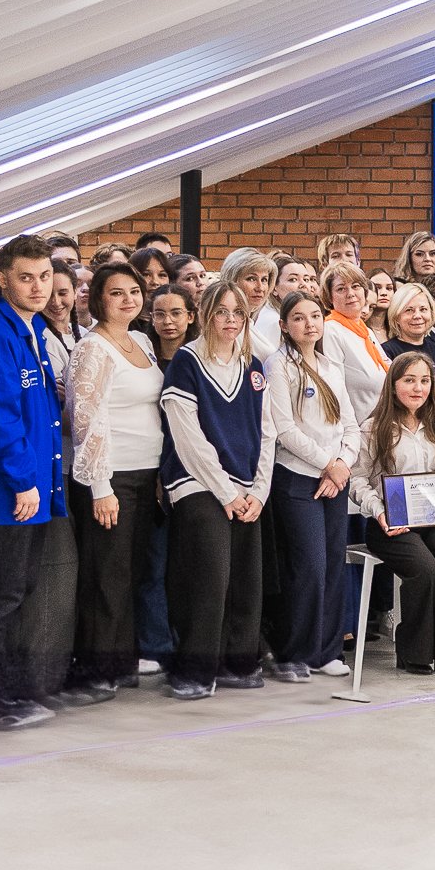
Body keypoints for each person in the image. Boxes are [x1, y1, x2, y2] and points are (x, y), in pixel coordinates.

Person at [0, 234, 73, 729]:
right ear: (3, 279)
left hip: (32, 487)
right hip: (8, 491)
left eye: (44, 276)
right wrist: (23, 481)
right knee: (0, 594)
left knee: (18, 588)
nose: (38, 287)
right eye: (25, 278)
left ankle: (5, 693)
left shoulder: (31, 327)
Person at [158, 283, 274, 698]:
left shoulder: (253, 365)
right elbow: (188, 439)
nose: (230, 320)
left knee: (246, 578)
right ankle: (194, 670)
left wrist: (258, 492)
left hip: (244, 487)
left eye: (238, 313)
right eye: (221, 311)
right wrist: (227, 493)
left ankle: (237, 663)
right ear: (204, 315)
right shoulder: (186, 362)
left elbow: (267, 431)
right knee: (209, 576)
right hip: (196, 483)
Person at [350, 351, 435, 676]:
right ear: (393, 384)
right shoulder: (373, 428)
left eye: (424, 381)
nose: (418, 388)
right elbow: (357, 480)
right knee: (424, 569)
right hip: (389, 523)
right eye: (409, 380)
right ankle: (414, 650)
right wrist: (379, 512)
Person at [65, 263, 163, 695]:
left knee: (132, 573)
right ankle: (96, 668)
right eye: (117, 293)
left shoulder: (141, 340)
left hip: (147, 472)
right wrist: (100, 487)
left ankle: (122, 661)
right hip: (111, 477)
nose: (128, 300)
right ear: (99, 299)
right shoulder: (92, 348)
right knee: (106, 575)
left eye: (134, 292)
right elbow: (86, 418)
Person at [262, 292, 360, 679]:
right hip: (297, 478)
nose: (309, 324)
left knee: (334, 563)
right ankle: (293, 652)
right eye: (299, 318)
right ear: (284, 325)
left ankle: (326, 651)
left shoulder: (331, 364)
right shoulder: (278, 365)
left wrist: (342, 465)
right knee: (308, 566)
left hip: (335, 479)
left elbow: (350, 425)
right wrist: (327, 464)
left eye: (315, 316)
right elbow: (284, 430)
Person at [382, 282, 435, 425]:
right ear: (396, 316)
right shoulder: (387, 352)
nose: (417, 316)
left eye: (423, 309)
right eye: (409, 310)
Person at [321, 264, 389, 426]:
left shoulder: (365, 331)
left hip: (378, 423)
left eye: (356, 286)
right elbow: (334, 389)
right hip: (354, 428)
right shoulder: (331, 330)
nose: (350, 293)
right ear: (329, 297)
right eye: (341, 289)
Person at [223, 248, 281, 356]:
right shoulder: (228, 326)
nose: (260, 288)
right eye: (251, 279)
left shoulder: (249, 324)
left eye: (264, 280)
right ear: (232, 280)